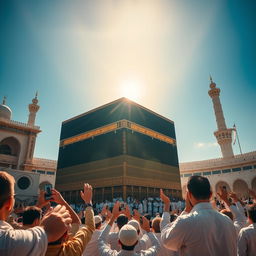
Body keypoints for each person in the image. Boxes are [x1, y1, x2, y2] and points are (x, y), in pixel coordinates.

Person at [161, 175, 237, 256]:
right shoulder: (228, 221)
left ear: (189, 195)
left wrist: (168, 209)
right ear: (211, 194)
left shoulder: (186, 222)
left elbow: (166, 240)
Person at [0, 171, 72, 256]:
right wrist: (46, 229)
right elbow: (42, 235)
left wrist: (39, 205)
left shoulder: (10, 237)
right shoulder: (11, 243)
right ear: (10, 202)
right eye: (14, 195)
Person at [45, 183, 95, 256]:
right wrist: (88, 203)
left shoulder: (33, 248)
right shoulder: (72, 250)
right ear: (66, 236)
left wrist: (39, 205)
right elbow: (89, 227)